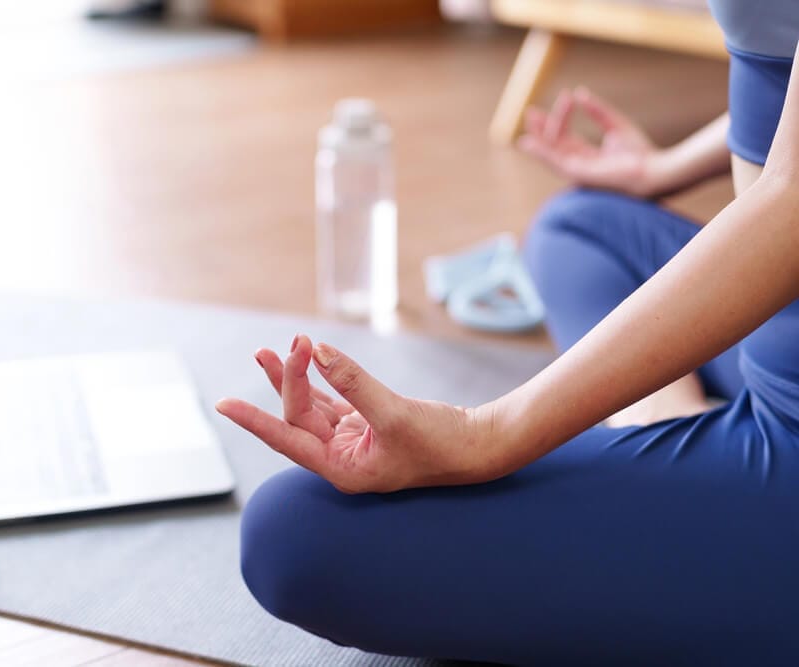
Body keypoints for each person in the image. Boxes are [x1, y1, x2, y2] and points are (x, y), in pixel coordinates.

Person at [216, 5, 799, 662]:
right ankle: (665, 420)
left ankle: (704, 487)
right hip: (771, 327)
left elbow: (792, 200)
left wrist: (482, 435)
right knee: (578, 228)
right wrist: (663, 169)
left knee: (293, 533)